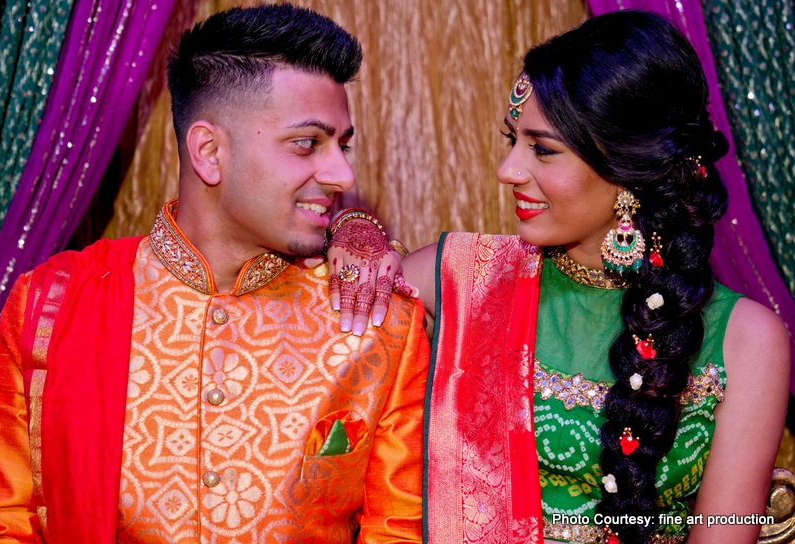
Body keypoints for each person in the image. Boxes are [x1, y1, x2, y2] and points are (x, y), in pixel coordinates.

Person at [328, 10, 790, 544]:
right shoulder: (465, 277)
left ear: (627, 168)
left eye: (542, 149)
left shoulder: (745, 339)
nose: (508, 170)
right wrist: (352, 229)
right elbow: (311, 301)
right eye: (513, 140)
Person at [0, 4, 429, 542]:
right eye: (308, 143)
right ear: (209, 152)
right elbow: (3, 520)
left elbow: (398, 529)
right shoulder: (49, 308)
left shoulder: (375, 321)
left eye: (343, 144)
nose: (342, 174)